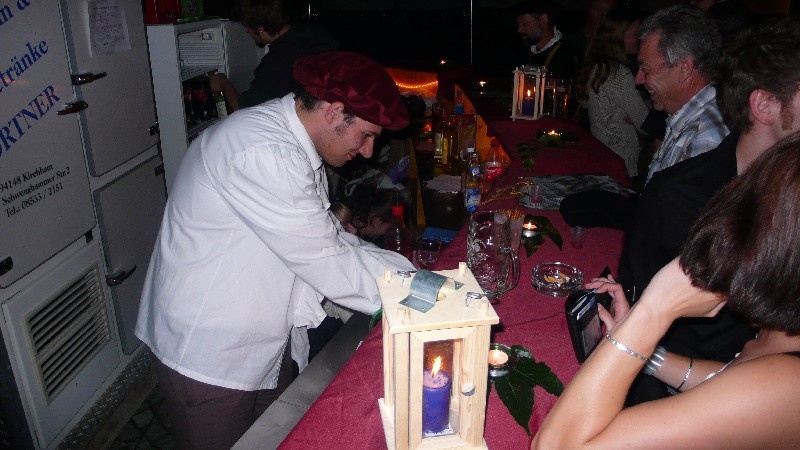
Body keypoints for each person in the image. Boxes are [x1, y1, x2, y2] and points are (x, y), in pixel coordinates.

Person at [135, 51, 415, 449]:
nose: (369, 151)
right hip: (211, 352)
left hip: (266, 335)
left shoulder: (290, 142)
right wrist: (420, 295)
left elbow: (326, 239)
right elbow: (326, 260)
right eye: (367, 135)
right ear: (335, 112)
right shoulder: (262, 149)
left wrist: (412, 277)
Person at [533, 130, 800, 449]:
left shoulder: (786, 386)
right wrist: (643, 348)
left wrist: (654, 311)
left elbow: (555, 445)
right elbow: (728, 383)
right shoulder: (779, 339)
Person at [617, 16, 800, 404]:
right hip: (692, 398)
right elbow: (635, 311)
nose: (639, 79)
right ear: (764, 105)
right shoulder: (678, 199)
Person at [635, 5, 728, 182]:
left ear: (684, 68)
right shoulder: (687, 116)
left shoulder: (703, 139)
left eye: (646, 69)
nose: (638, 80)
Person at [210, 0, 338, 111]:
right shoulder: (316, 32)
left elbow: (246, 108)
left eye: (247, 26)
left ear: (260, 28)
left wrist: (222, 82)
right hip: (328, 108)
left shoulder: (278, 61)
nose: (246, 30)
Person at [573, 7, 650, 178]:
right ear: (618, 35)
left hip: (603, 157)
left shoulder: (598, 68)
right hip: (620, 162)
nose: (640, 38)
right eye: (636, 33)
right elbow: (645, 123)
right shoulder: (618, 74)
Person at [513, 0, 581, 78]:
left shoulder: (567, 53)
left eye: (525, 24)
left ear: (543, 19)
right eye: (519, 25)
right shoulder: (520, 50)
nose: (519, 30)